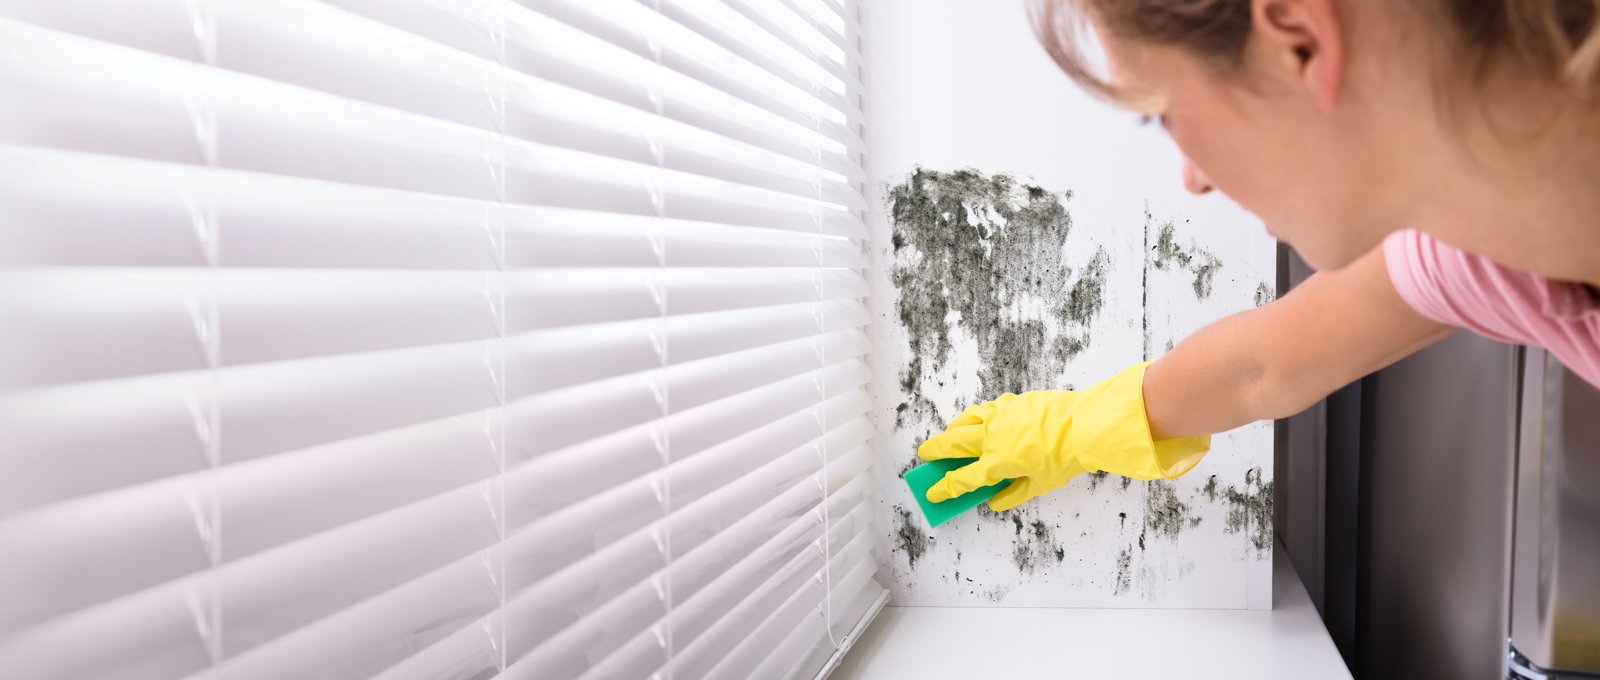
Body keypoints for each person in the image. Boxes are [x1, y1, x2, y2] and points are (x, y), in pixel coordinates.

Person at [919, 0, 1600, 512]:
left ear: (1299, 43)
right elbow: (1260, 367)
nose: (1193, 176)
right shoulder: (1482, 255)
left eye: (1163, 112)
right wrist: (1065, 431)